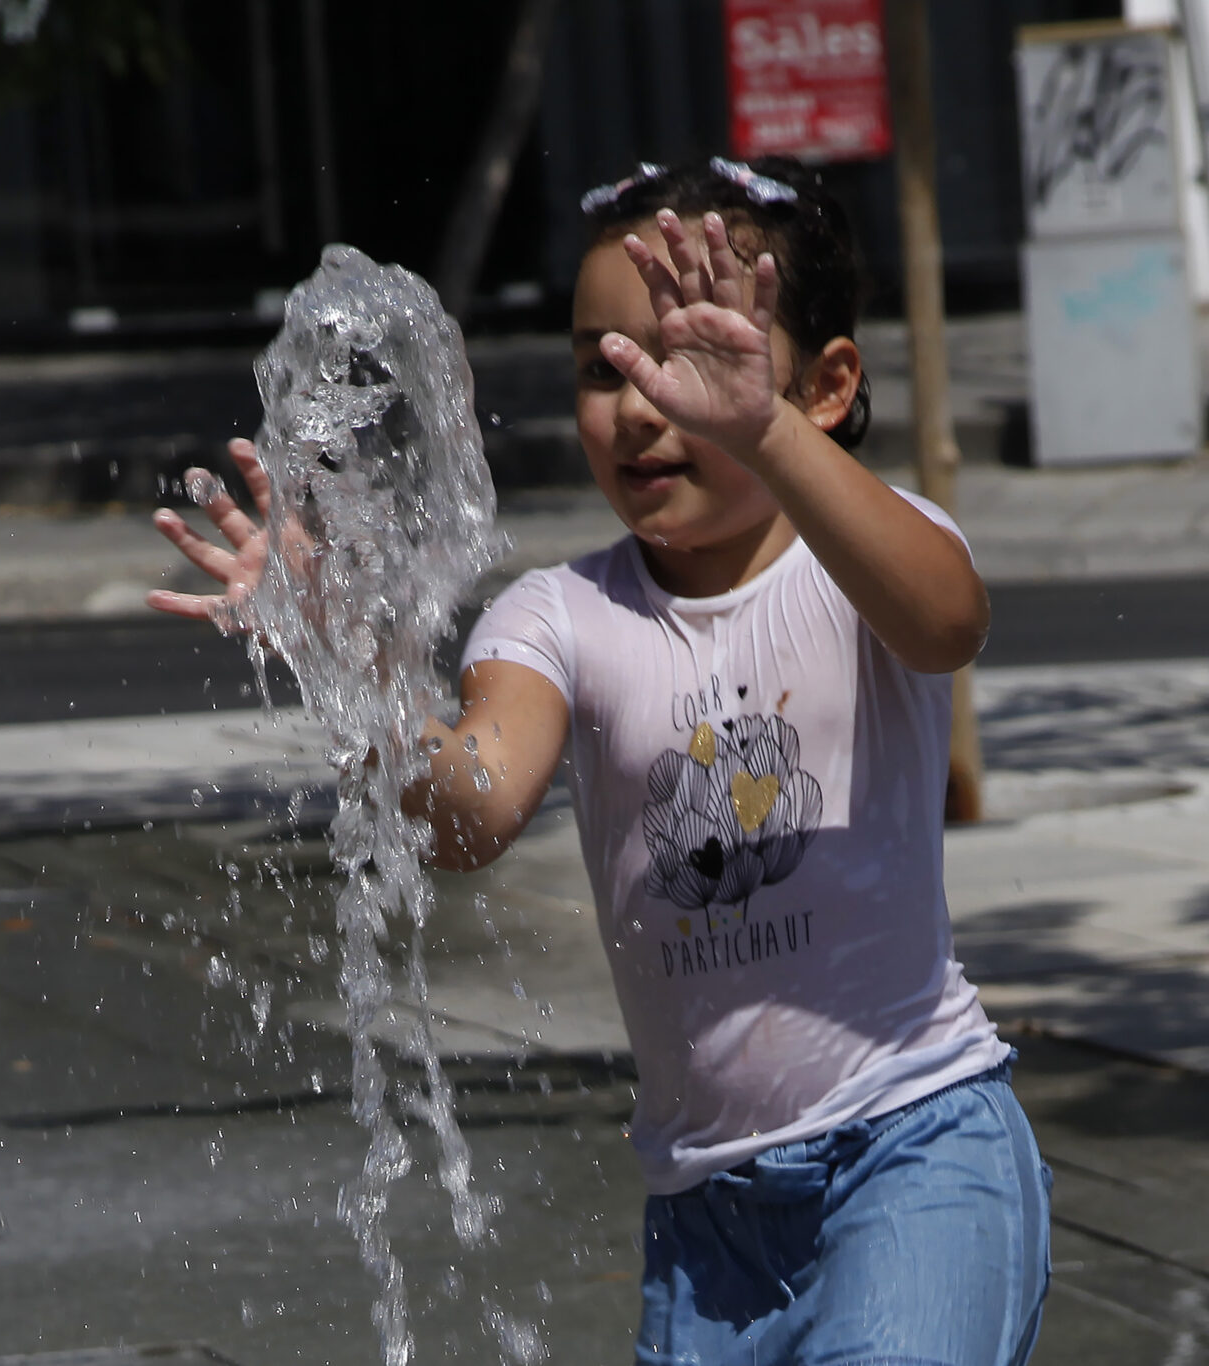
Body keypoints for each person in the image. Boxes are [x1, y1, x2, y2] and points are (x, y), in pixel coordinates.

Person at [146, 156, 1051, 1366]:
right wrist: (351, 665)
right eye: (599, 366)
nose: (638, 402)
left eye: (692, 358)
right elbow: (469, 813)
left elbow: (946, 620)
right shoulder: (557, 616)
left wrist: (762, 432)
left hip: (915, 1147)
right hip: (706, 1222)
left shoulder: (861, 560)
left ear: (823, 384)